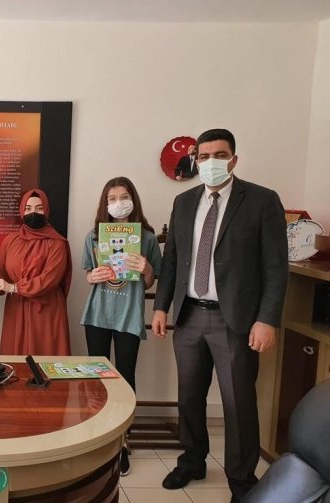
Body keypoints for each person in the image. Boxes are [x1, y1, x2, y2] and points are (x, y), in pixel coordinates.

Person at [152, 129, 288, 503]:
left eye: (219, 155)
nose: (210, 161)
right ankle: (192, 460)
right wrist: (161, 306)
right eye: (204, 155)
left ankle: (242, 481)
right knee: (189, 396)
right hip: (189, 316)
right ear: (195, 160)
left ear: (234, 159)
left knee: (238, 403)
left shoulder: (262, 200)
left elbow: (276, 267)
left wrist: (267, 319)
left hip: (237, 321)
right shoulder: (183, 202)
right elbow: (172, 260)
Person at [80, 176, 161, 476]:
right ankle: (96, 436)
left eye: (124, 197)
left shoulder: (148, 238)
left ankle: (123, 441)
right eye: (112, 198)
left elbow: (151, 281)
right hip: (97, 314)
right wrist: (93, 276)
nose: (118, 203)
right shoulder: (93, 236)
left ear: (133, 200)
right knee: (96, 377)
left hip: (128, 315)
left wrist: (146, 269)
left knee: (125, 377)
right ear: (105, 203)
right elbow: (87, 275)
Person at [0, 189, 72, 355]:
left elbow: (49, 279)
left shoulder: (57, 243)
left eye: (39, 208)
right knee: (16, 361)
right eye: (28, 208)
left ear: (46, 210)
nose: (33, 213)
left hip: (46, 310)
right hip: (16, 309)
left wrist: (13, 287)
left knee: (46, 358)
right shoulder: (10, 241)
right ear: (21, 210)